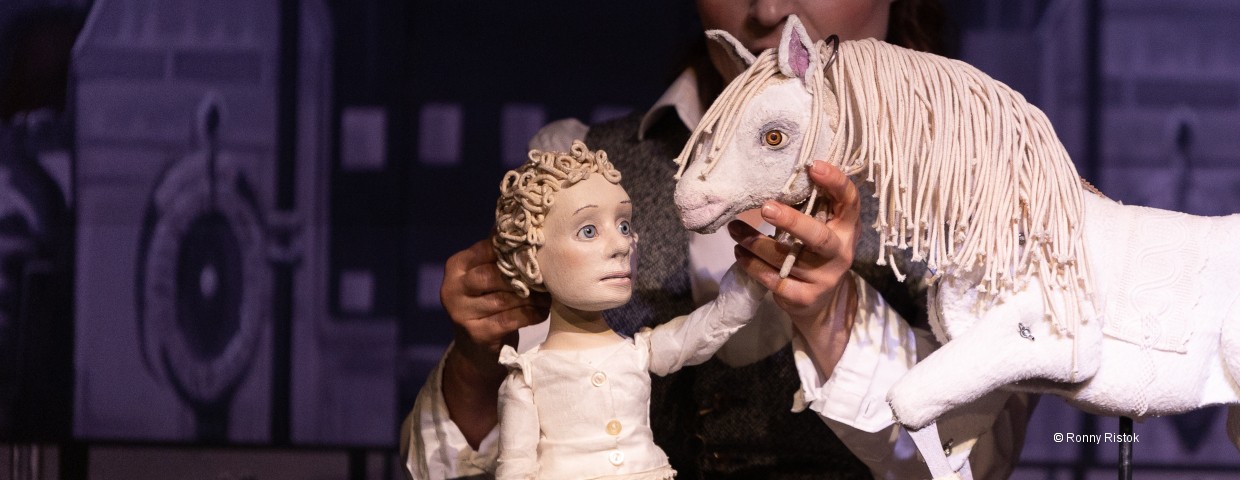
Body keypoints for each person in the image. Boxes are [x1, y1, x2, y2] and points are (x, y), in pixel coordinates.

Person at [403, 1, 1034, 478]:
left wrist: (836, 320)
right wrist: (478, 363)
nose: (768, 11)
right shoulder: (583, 167)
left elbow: (979, 464)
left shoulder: (978, 193)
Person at [491, 141, 766, 479]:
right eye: (588, 231)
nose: (622, 244)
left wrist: (755, 275)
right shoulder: (528, 377)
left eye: (624, 226)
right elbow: (514, 469)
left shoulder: (639, 351)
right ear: (529, 260)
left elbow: (714, 322)